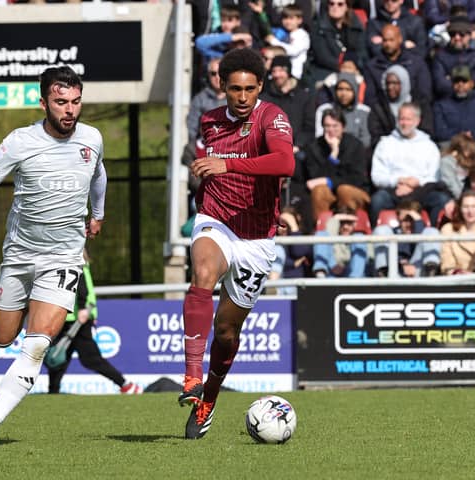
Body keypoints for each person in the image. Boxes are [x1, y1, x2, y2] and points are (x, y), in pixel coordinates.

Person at [0, 66, 107, 448]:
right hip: (19, 255)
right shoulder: (19, 141)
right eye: (61, 102)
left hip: (63, 257)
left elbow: (99, 177)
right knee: (0, 337)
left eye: (76, 102)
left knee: (37, 344)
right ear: (43, 102)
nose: (70, 110)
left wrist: (98, 214)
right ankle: (18, 314)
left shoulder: (92, 139)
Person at [180, 47, 294, 440]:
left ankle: (208, 398)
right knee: (203, 272)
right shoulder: (209, 122)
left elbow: (285, 164)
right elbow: (201, 164)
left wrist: (227, 164)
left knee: (226, 331)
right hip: (216, 220)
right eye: (234, 89)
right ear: (221, 87)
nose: (242, 97)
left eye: (249, 89)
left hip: (257, 238)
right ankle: (192, 374)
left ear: (260, 86)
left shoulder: (272, 118)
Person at [43, 252, 142, 395]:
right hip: (75, 316)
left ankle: (124, 384)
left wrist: (84, 308)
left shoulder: (71, 258)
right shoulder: (78, 259)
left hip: (75, 317)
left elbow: (81, 286)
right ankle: (53, 392)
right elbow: (84, 286)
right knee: (59, 357)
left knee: (84, 358)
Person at [370, 102, 450, 226]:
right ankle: (376, 239)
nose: (404, 123)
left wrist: (417, 183)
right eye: (401, 119)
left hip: (422, 191)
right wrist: (398, 180)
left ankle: (433, 236)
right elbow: (377, 176)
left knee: (441, 199)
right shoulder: (385, 144)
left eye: (408, 119)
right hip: (395, 191)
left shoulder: (429, 146)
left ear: (417, 121)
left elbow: (435, 176)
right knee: (377, 200)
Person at [301, 107, 371, 221]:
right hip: (328, 195)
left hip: (354, 192)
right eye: (327, 126)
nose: (331, 130)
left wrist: (330, 181)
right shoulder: (314, 147)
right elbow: (315, 178)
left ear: (343, 127)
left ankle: (350, 228)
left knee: (344, 190)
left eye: (335, 126)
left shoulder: (355, 145)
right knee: (319, 190)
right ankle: (323, 232)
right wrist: (333, 155)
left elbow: (358, 178)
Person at [363, 24, 433, 107]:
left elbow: (424, 94)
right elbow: (371, 98)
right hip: (383, 113)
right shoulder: (373, 66)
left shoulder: (416, 63)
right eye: (385, 40)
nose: (388, 44)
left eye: (391, 40)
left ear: (400, 39)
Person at [367, 64, 434, 150]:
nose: (390, 87)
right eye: (388, 83)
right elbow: (376, 135)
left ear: (404, 83)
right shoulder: (379, 108)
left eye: (395, 83)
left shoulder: (420, 104)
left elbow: (427, 130)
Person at [373, 199, 441, 277]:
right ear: (398, 219)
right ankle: (383, 274)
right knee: (381, 229)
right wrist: (402, 265)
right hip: (394, 270)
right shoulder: (392, 233)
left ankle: (431, 273)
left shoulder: (423, 231)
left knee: (432, 231)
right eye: (405, 220)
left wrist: (418, 222)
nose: (409, 224)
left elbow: (416, 240)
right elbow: (402, 249)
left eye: (412, 220)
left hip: (419, 270)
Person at [305, 0, 367, 85]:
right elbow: (322, 56)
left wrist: (353, 66)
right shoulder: (318, 28)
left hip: (352, 69)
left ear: (347, 7)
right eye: (331, 4)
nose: (335, 7)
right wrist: (342, 67)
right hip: (326, 71)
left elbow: (362, 52)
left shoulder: (356, 27)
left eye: (340, 4)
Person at [431, 15, 475, 99]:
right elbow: (440, 85)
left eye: (461, 34)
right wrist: (468, 82)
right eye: (452, 34)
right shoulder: (441, 56)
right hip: (448, 101)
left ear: (470, 35)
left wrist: (452, 77)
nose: (457, 37)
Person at [314, 72, 371, 148]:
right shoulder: (324, 109)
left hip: (356, 153)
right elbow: (319, 136)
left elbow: (366, 139)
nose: (344, 93)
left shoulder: (364, 111)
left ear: (355, 90)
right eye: (340, 89)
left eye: (348, 89)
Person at [312, 206, 368, 278]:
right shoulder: (329, 235)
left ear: (354, 224)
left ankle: (355, 281)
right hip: (331, 275)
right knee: (321, 234)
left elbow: (370, 259)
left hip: (354, 275)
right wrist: (333, 264)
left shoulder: (361, 238)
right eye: (341, 223)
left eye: (349, 223)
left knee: (359, 237)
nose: (345, 227)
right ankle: (320, 271)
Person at [433, 65, 475, 144]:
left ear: (471, 84)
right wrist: (460, 135)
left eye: (464, 81)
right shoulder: (441, 105)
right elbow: (439, 133)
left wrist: (473, 135)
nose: (460, 85)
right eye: (456, 81)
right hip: (451, 147)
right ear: (452, 84)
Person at [440, 190, 475, 274]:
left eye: (474, 206)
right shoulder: (448, 229)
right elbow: (446, 260)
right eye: (466, 207)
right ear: (460, 209)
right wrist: (457, 272)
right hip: (456, 280)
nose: (470, 211)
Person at [264, 4, 310, 80]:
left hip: (295, 75)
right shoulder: (283, 33)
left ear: (299, 20)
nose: (288, 21)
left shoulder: (302, 35)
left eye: (291, 18)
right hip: (280, 74)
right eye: (285, 18)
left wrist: (274, 41)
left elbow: (293, 50)